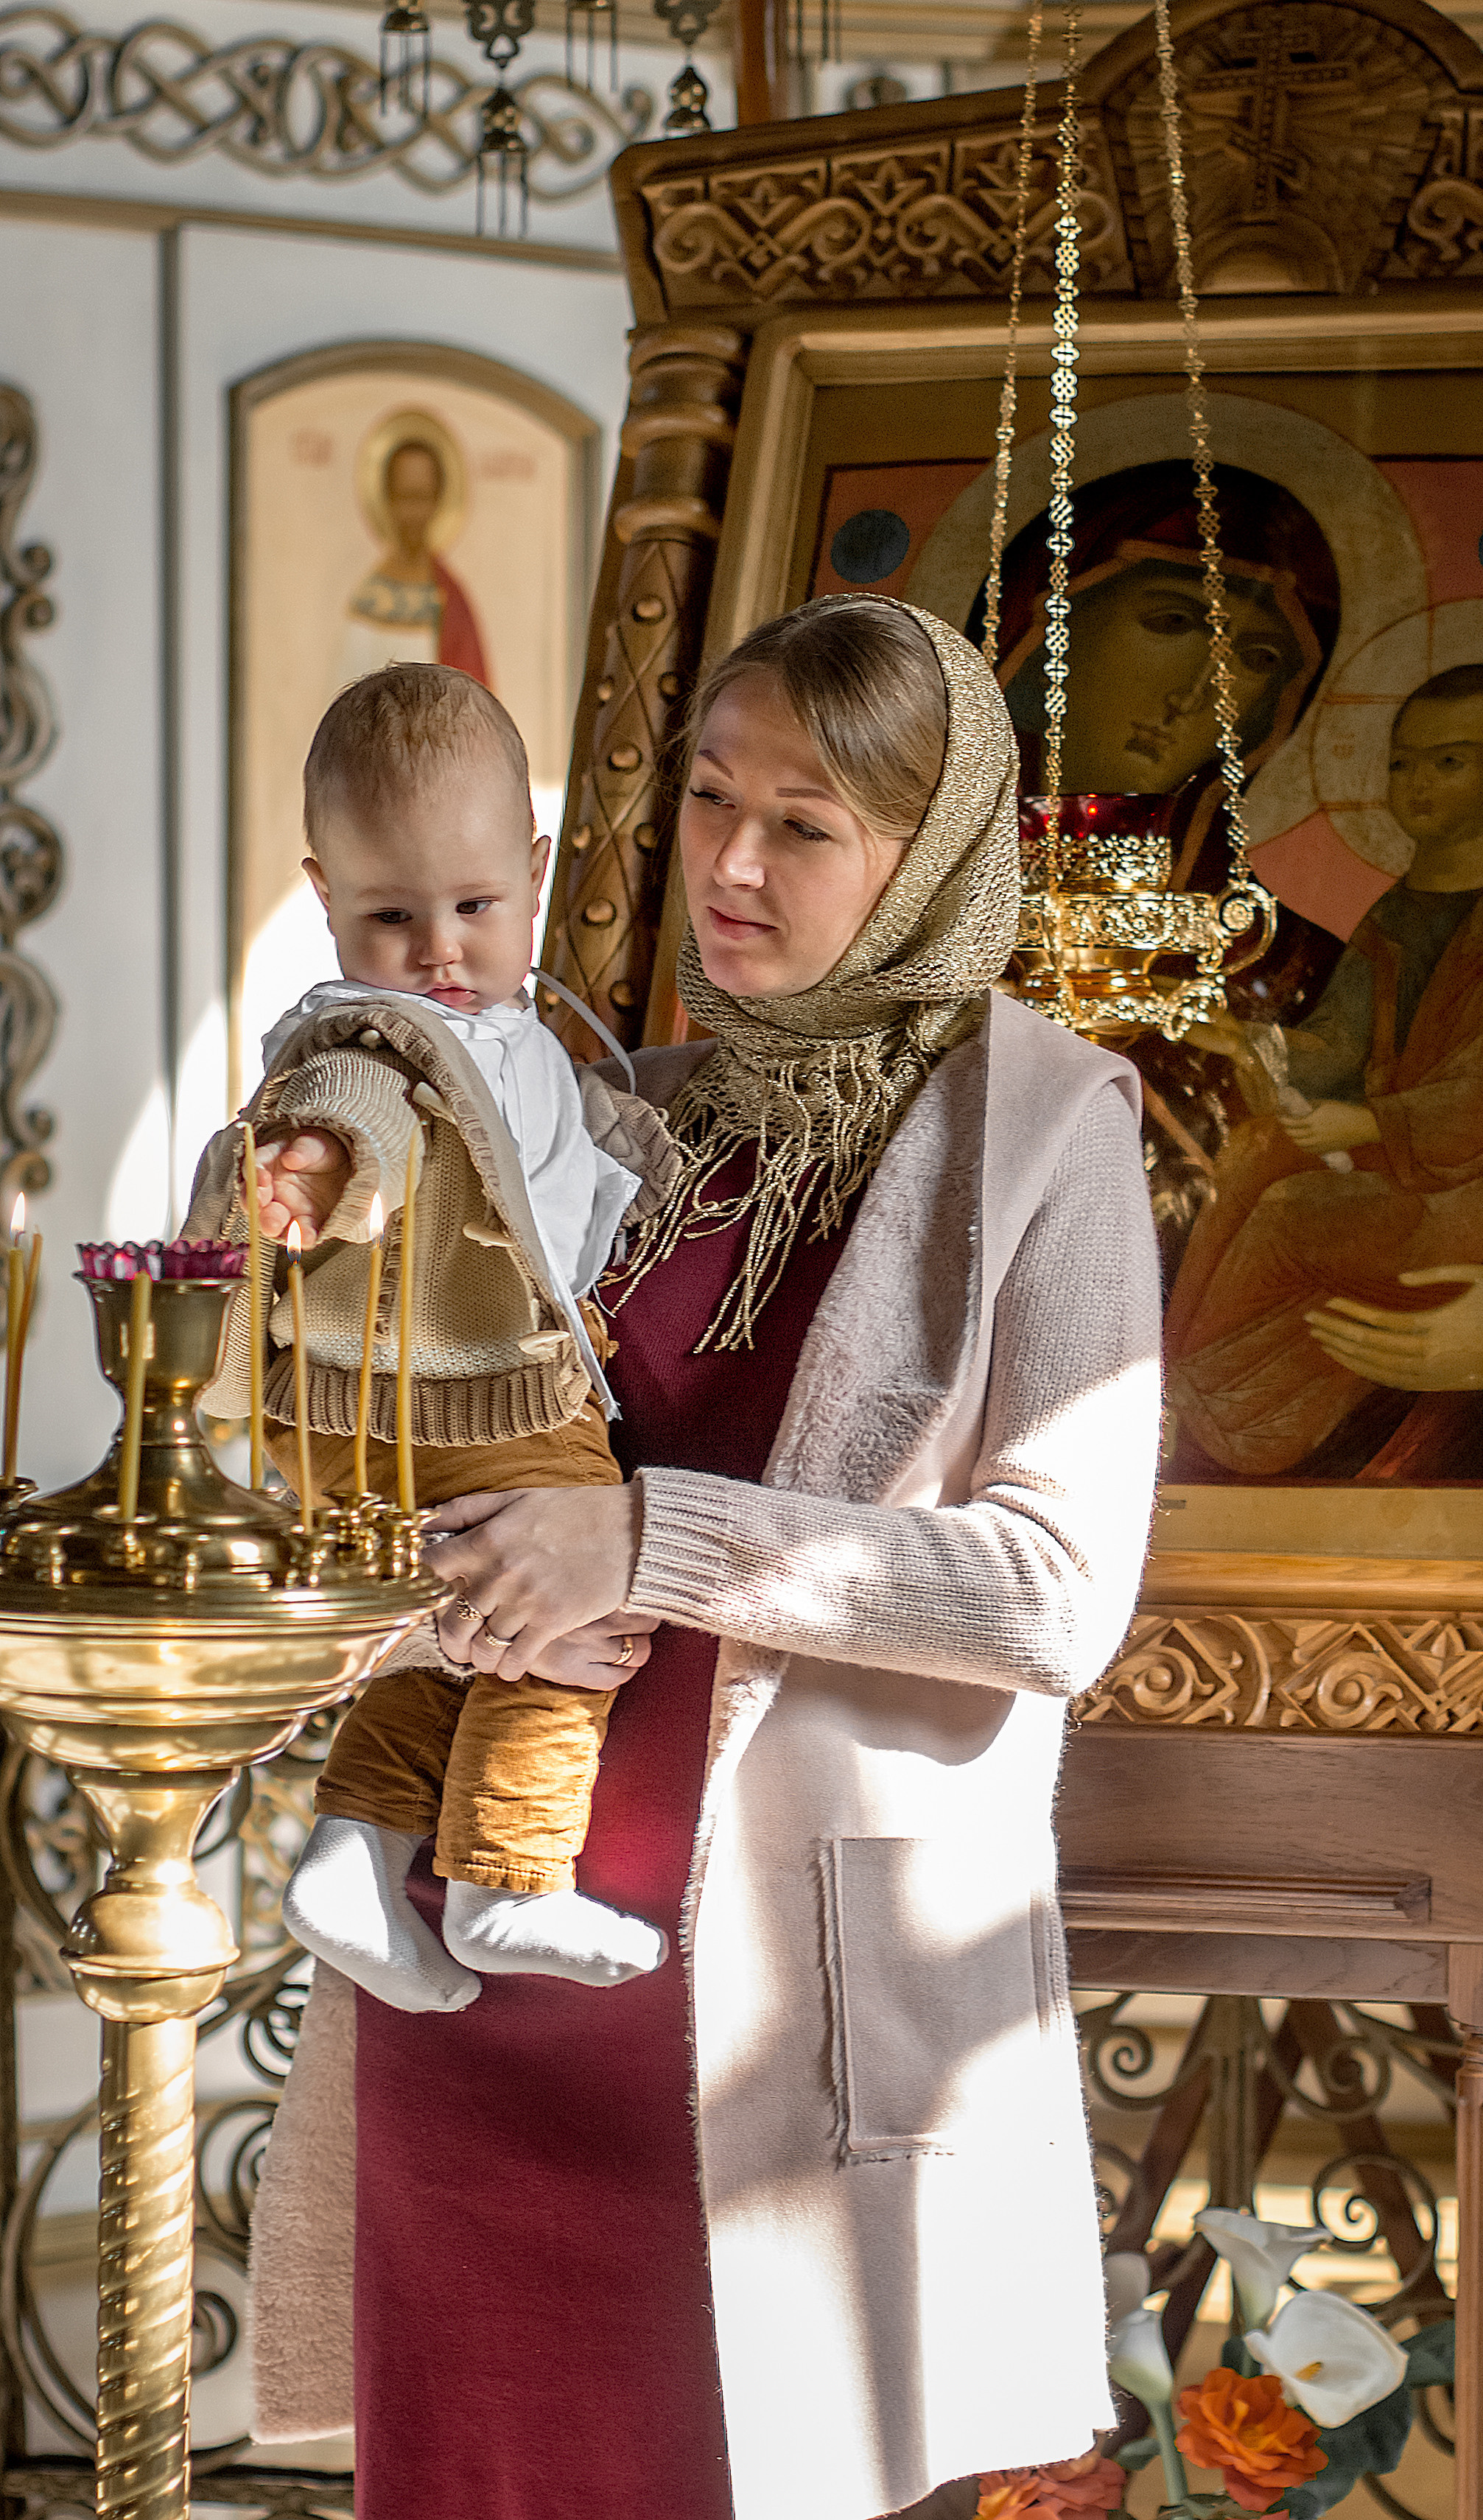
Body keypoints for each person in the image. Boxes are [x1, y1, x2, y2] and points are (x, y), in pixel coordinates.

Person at [247, 596, 1163, 2520]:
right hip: (475, 1983)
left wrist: (647, 1540)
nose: (730, 862)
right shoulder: (604, 1113)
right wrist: (446, 1579)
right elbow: (403, 1458)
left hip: (769, 2023)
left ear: (928, 850)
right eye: (709, 797)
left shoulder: (1046, 1131)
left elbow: (1053, 1591)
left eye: (805, 823)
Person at [186, 663, 678, 2000]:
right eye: (390, 914)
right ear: (323, 896)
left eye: (473, 905)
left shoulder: (514, 1033)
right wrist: (323, 1169)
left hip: (386, 1406)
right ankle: (509, 1879)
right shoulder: (373, 1034)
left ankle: (352, 1855)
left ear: (533, 866)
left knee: (470, 1617)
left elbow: (568, 1155)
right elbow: (369, 1110)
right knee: (588, 1585)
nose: (439, 950)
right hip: (449, 1389)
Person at [1165, 661, 1483, 1479]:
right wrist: (1256, 1043)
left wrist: (1361, 1122)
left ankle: (1203, 1402)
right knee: (1252, 1151)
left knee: (1291, 1212)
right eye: (1403, 762)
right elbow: (1339, 1047)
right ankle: (1177, 1372)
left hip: (1481, 1191)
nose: (1416, 784)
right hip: (1405, 1164)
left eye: (1449, 761)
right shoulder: (1395, 912)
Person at [342, 428, 491, 685]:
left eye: (422, 498)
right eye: (404, 498)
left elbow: (472, 703)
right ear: (388, 500)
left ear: (438, 501)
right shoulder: (369, 596)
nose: (413, 514)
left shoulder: (449, 599)